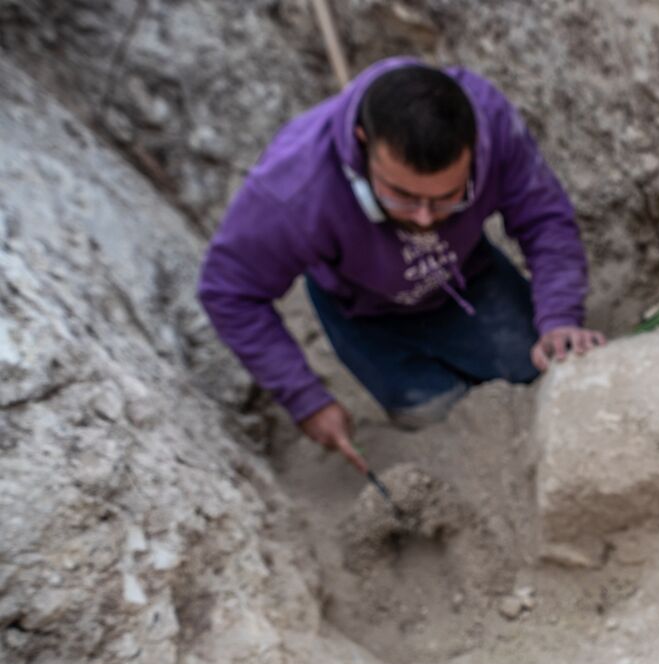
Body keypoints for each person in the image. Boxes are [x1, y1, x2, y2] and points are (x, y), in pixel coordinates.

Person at [198, 57, 604, 473]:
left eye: (447, 197)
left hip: (468, 278)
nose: (424, 220)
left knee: (539, 377)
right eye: (402, 196)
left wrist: (559, 317)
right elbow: (229, 291)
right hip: (366, 317)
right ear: (362, 143)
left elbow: (544, 218)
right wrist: (305, 398)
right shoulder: (294, 189)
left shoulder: (492, 122)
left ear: (473, 148)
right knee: (444, 433)